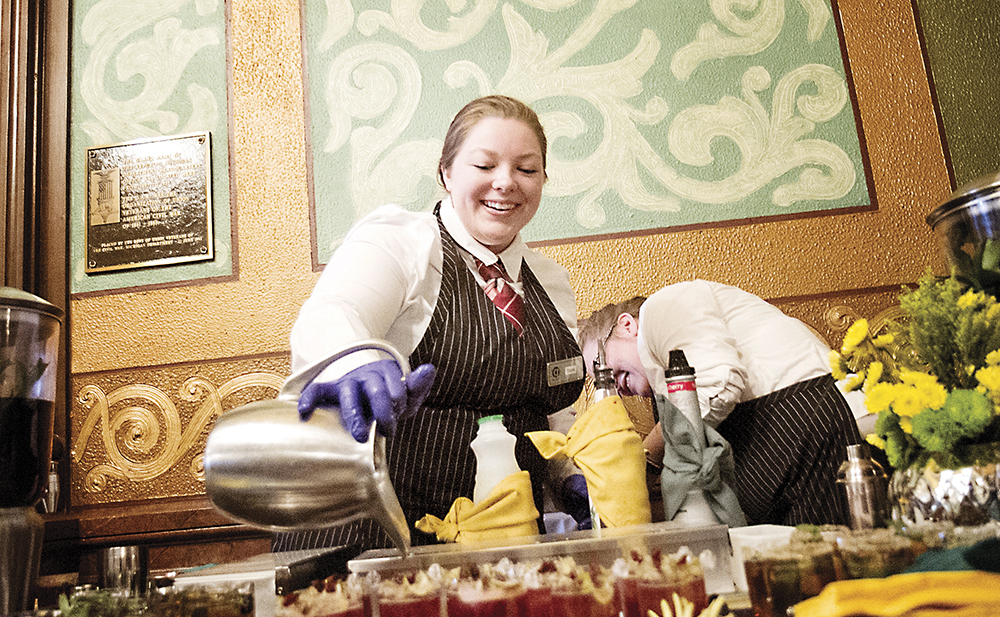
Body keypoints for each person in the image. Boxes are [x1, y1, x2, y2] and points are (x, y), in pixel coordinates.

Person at [274, 95, 586, 552]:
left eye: (526, 169)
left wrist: (570, 476)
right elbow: (334, 312)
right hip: (369, 537)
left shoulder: (551, 283)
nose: (506, 183)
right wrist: (356, 360)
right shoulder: (404, 243)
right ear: (446, 173)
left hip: (500, 543)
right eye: (484, 165)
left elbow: (552, 416)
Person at [578, 281, 866, 527]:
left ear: (627, 325)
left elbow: (721, 382)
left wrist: (651, 451)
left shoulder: (662, 307)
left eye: (603, 367)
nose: (615, 386)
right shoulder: (663, 382)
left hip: (805, 412)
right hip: (790, 425)